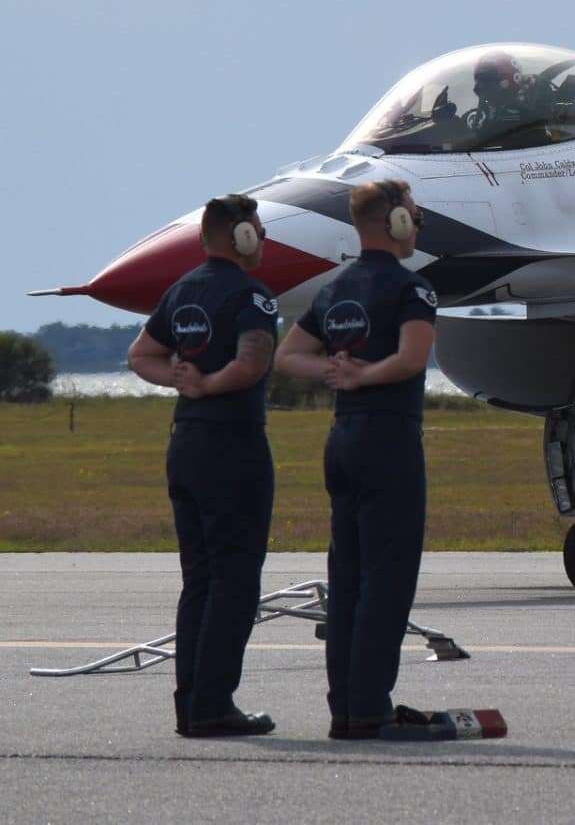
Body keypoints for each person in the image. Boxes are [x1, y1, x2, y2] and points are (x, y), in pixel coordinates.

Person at [275, 179, 438, 740]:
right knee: (387, 578)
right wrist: (364, 376)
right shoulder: (412, 289)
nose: (417, 226)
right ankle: (370, 706)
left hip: (342, 438)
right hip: (388, 438)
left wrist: (334, 372)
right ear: (396, 223)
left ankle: (345, 706)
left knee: (346, 578)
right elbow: (412, 358)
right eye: (414, 216)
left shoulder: (335, 289)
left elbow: (288, 355)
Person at [125, 194, 280, 738]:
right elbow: (251, 363)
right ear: (242, 237)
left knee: (199, 580)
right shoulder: (252, 296)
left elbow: (140, 354)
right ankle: (214, 705)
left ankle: (191, 705)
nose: (262, 239)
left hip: (186, 442)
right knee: (234, 580)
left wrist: (179, 380)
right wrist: (209, 384)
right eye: (259, 231)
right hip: (232, 446)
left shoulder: (181, 291)